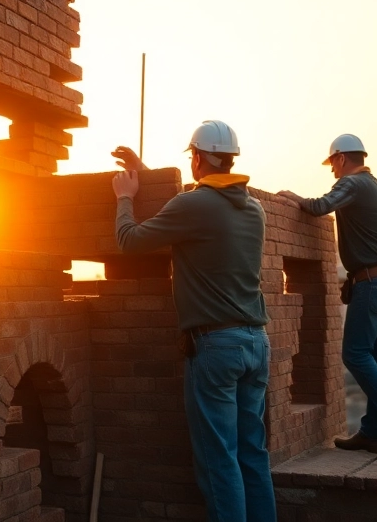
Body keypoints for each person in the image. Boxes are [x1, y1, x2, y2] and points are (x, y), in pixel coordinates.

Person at [111, 120, 275, 522]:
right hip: (256, 342)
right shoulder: (254, 207)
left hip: (217, 347)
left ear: (197, 158)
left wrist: (125, 198)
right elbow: (194, 210)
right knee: (252, 454)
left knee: (219, 459)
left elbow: (129, 240)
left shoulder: (194, 205)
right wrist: (145, 170)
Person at [277, 134, 377, 456]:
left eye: (332, 164)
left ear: (341, 159)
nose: (332, 172)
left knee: (355, 354)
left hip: (373, 284)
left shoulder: (354, 184)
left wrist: (292, 198)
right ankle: (373, 433)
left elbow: (320, 206)